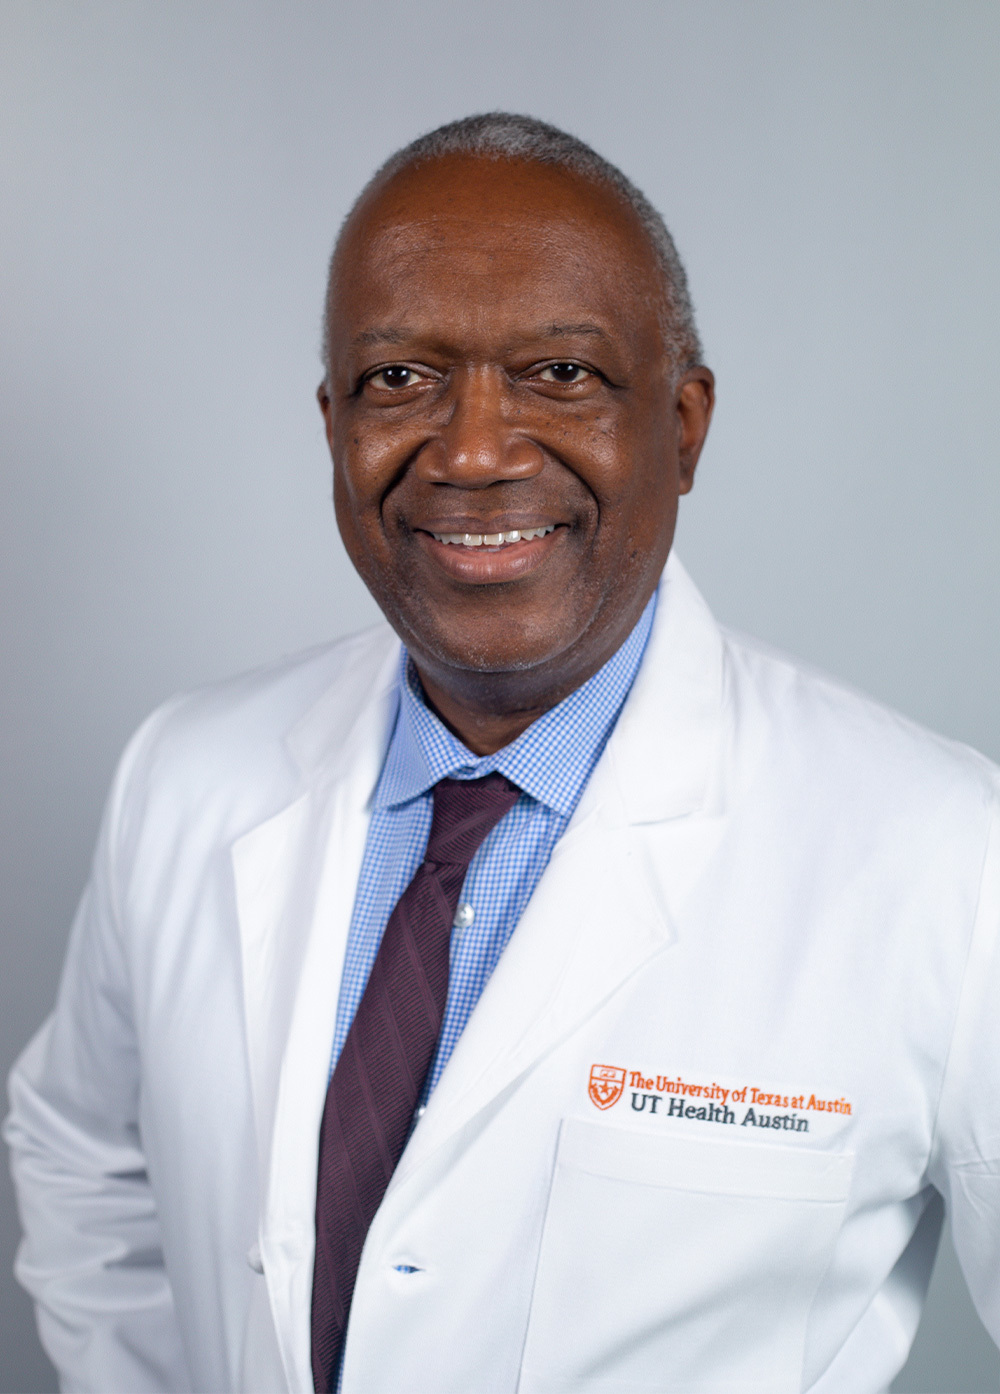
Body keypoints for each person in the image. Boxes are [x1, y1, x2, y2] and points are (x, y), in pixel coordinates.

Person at [5, 112, 1000, 1394]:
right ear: (332, 424)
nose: (472, 450)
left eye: (561, 372)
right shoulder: (186, 774)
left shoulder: (944, 855)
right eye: (398, 378)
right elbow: (85, 1158)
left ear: (685, 425)